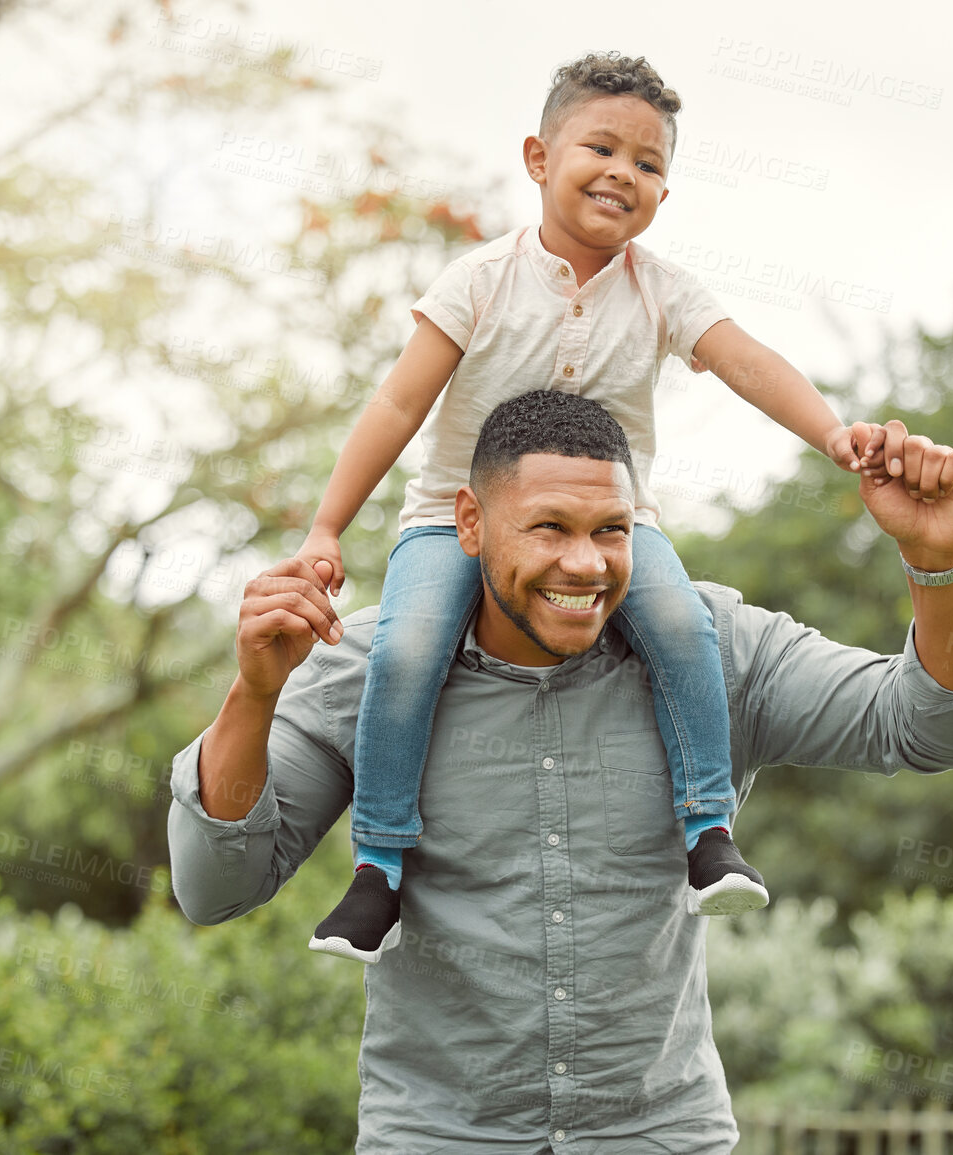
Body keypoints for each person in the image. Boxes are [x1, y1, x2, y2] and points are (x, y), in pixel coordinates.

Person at [167, 389, 953, 1152]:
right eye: (548, 528)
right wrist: (252, 693)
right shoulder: (367, 671)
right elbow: (217, 885)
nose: (586, 563)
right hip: (438, 1135)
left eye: (611, 529)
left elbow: (932, 726)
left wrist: (937, 563)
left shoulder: (713, 651)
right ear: (468, 522)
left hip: (660, 1132)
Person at [289, 52, 866, 961]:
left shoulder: (662, 291)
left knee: (680, 621)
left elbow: (746, 360)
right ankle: (379, 868)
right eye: (599, 146)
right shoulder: (479, 281)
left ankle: (707, 830)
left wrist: (834, 435)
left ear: (664, 193)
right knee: (403, 652)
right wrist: (326, 527)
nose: (621, 173)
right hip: (453, 517)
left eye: (647, 164)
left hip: (611, 525)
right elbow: (398, 405)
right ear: (537, 158)